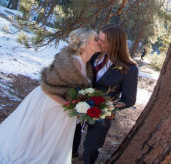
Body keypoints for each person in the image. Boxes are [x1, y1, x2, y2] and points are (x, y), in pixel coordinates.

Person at [0, 28, 99, 164]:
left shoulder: (86, 64)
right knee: (34, 142)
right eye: (95, 39)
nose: (99, 41)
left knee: (49, 144)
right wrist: (72, 106)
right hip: (48, 105)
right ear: (85, 42)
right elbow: (47, 89)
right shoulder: (71, 61)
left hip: (62, 111)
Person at [72, 24, 138, 164]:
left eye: (102, 40)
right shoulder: (92, 54)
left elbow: (129, 99)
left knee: (91, 148)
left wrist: (105, 108)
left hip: (101, 113)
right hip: (79, 105)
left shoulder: (130, 68)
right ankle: (71, 154)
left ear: (114, 43)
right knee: (71, 136)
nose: (98, 42)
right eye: (98, 38)